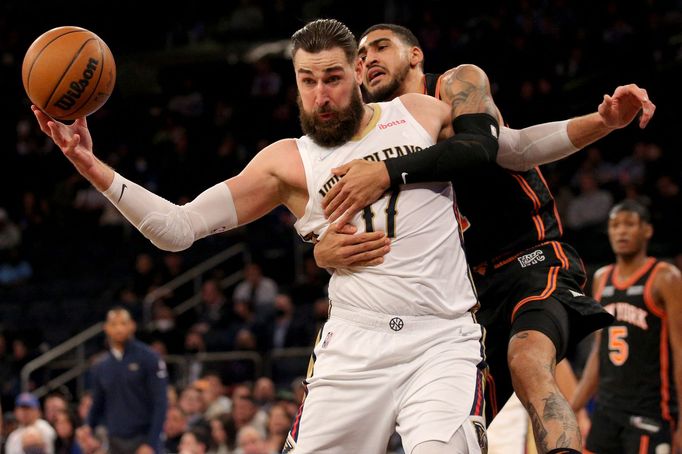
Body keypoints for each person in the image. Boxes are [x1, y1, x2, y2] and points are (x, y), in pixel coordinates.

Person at [32, 18, 500, 454]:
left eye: (333, 78)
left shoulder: (418, 113)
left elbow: (498, 149)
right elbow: (177, 230)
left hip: (442, 339)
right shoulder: (285, 161)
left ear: (359, 71)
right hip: (355, 346)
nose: (321, 96)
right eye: (307, 81)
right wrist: (89, 166)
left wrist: (387, 173)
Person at [312, 23, 654, 453]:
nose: (368, 59)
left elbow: (514, 147)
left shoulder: (457, 83)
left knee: (527, 363)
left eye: (381, 47)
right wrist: (322, 251)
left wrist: (603, 121)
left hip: (531, 260)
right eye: (360, 57)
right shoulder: (372, 135)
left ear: (416, 55)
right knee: (450, 427)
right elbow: (338, 215)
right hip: (466, 294)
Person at [571, 200, 682, 453]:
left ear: (647, 230)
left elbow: (680, 351)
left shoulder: (665, 277)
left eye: (629, 224)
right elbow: (598, 355)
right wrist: (572, 408)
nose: (621, 231)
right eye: (615, 225)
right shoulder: (601, 278)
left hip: (650, 412)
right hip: (606, 412)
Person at [76, 307, 168, 454]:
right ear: (106, 328)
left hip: (143, 439)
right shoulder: (102, 366)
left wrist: (151, 443)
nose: (119, 329)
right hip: (115, 441)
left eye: (123, 323)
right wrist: (87, 426)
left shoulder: (149, 358)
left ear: (132, 325)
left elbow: (161, 402)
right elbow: (98, 402)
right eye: (114, 324)